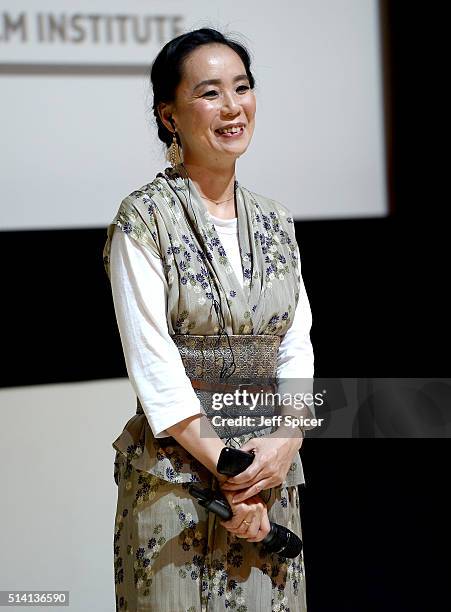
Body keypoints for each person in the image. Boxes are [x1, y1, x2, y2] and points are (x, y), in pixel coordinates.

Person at [103, 27, 314, 612]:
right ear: (169, 116)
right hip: (179, 483)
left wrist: (285, 440)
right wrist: (230, 469)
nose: (232, 107)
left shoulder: (278, 220)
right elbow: (154, 364)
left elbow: (296, 343)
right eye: (210, 93)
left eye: (242, 88)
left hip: (271, 476)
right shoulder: (143, 221)